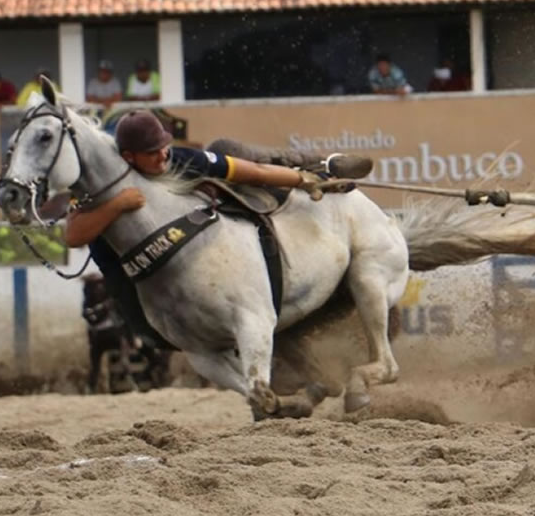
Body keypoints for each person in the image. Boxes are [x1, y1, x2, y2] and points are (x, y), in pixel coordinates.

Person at [64, 110, 374, 343]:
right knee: (150, 334)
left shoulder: (179, 159)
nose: (163, 155)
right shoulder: (105, 188)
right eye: (152, 152)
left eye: (164, 146)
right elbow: (74, 235)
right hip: (133, 281)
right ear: (128, 157)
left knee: (227, 148)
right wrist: (118, 204)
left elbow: (254, 173)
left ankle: (318, 166)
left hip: (201, 262)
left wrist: (302, 180)